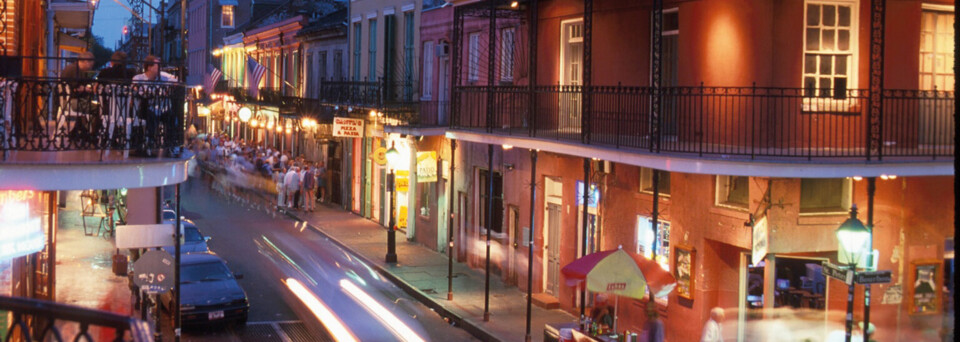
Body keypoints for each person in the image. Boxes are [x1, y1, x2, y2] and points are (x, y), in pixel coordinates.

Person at [132, 55, 178, 155]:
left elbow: (175, 80)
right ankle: (149, 143)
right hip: (147, 108)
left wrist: (170, 87)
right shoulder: (139, 78)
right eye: (157, 65)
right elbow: (137, 89)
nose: (159, 68)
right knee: (150, 115)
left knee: (171, 117)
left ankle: (170, 144)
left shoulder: (163, 77)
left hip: (162, 108)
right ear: (149, 67)